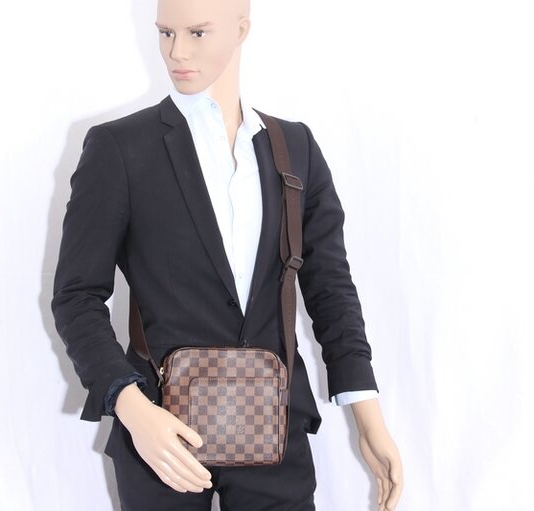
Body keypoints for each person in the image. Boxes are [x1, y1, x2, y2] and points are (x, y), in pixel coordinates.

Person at [51, 0, 403, 509]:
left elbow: (330, 289)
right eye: (165, 32)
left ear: (241, 29)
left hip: (274, 428)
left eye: (197, 32)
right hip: (161, 432)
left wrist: (368, 415)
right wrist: (129, 405)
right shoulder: (120, 147)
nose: (177, 51)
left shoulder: (295, 147)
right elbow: (77, 296)